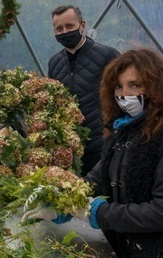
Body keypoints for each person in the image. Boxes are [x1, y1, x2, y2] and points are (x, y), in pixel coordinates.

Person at [26, 49, 163, 257]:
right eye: (118, 86)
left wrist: (99, 213)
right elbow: (99, 177)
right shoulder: (123, 128)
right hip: (128, 247)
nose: (124, 94)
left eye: (134, 85)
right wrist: (65, 202)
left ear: (157, 87)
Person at [48, 5, 120, 175]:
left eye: (69, 26)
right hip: (70, 149)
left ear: (82, 25)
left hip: (102, 144)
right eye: (59, 28)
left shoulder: (108, 56)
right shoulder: (54, 63)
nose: (65, 32)